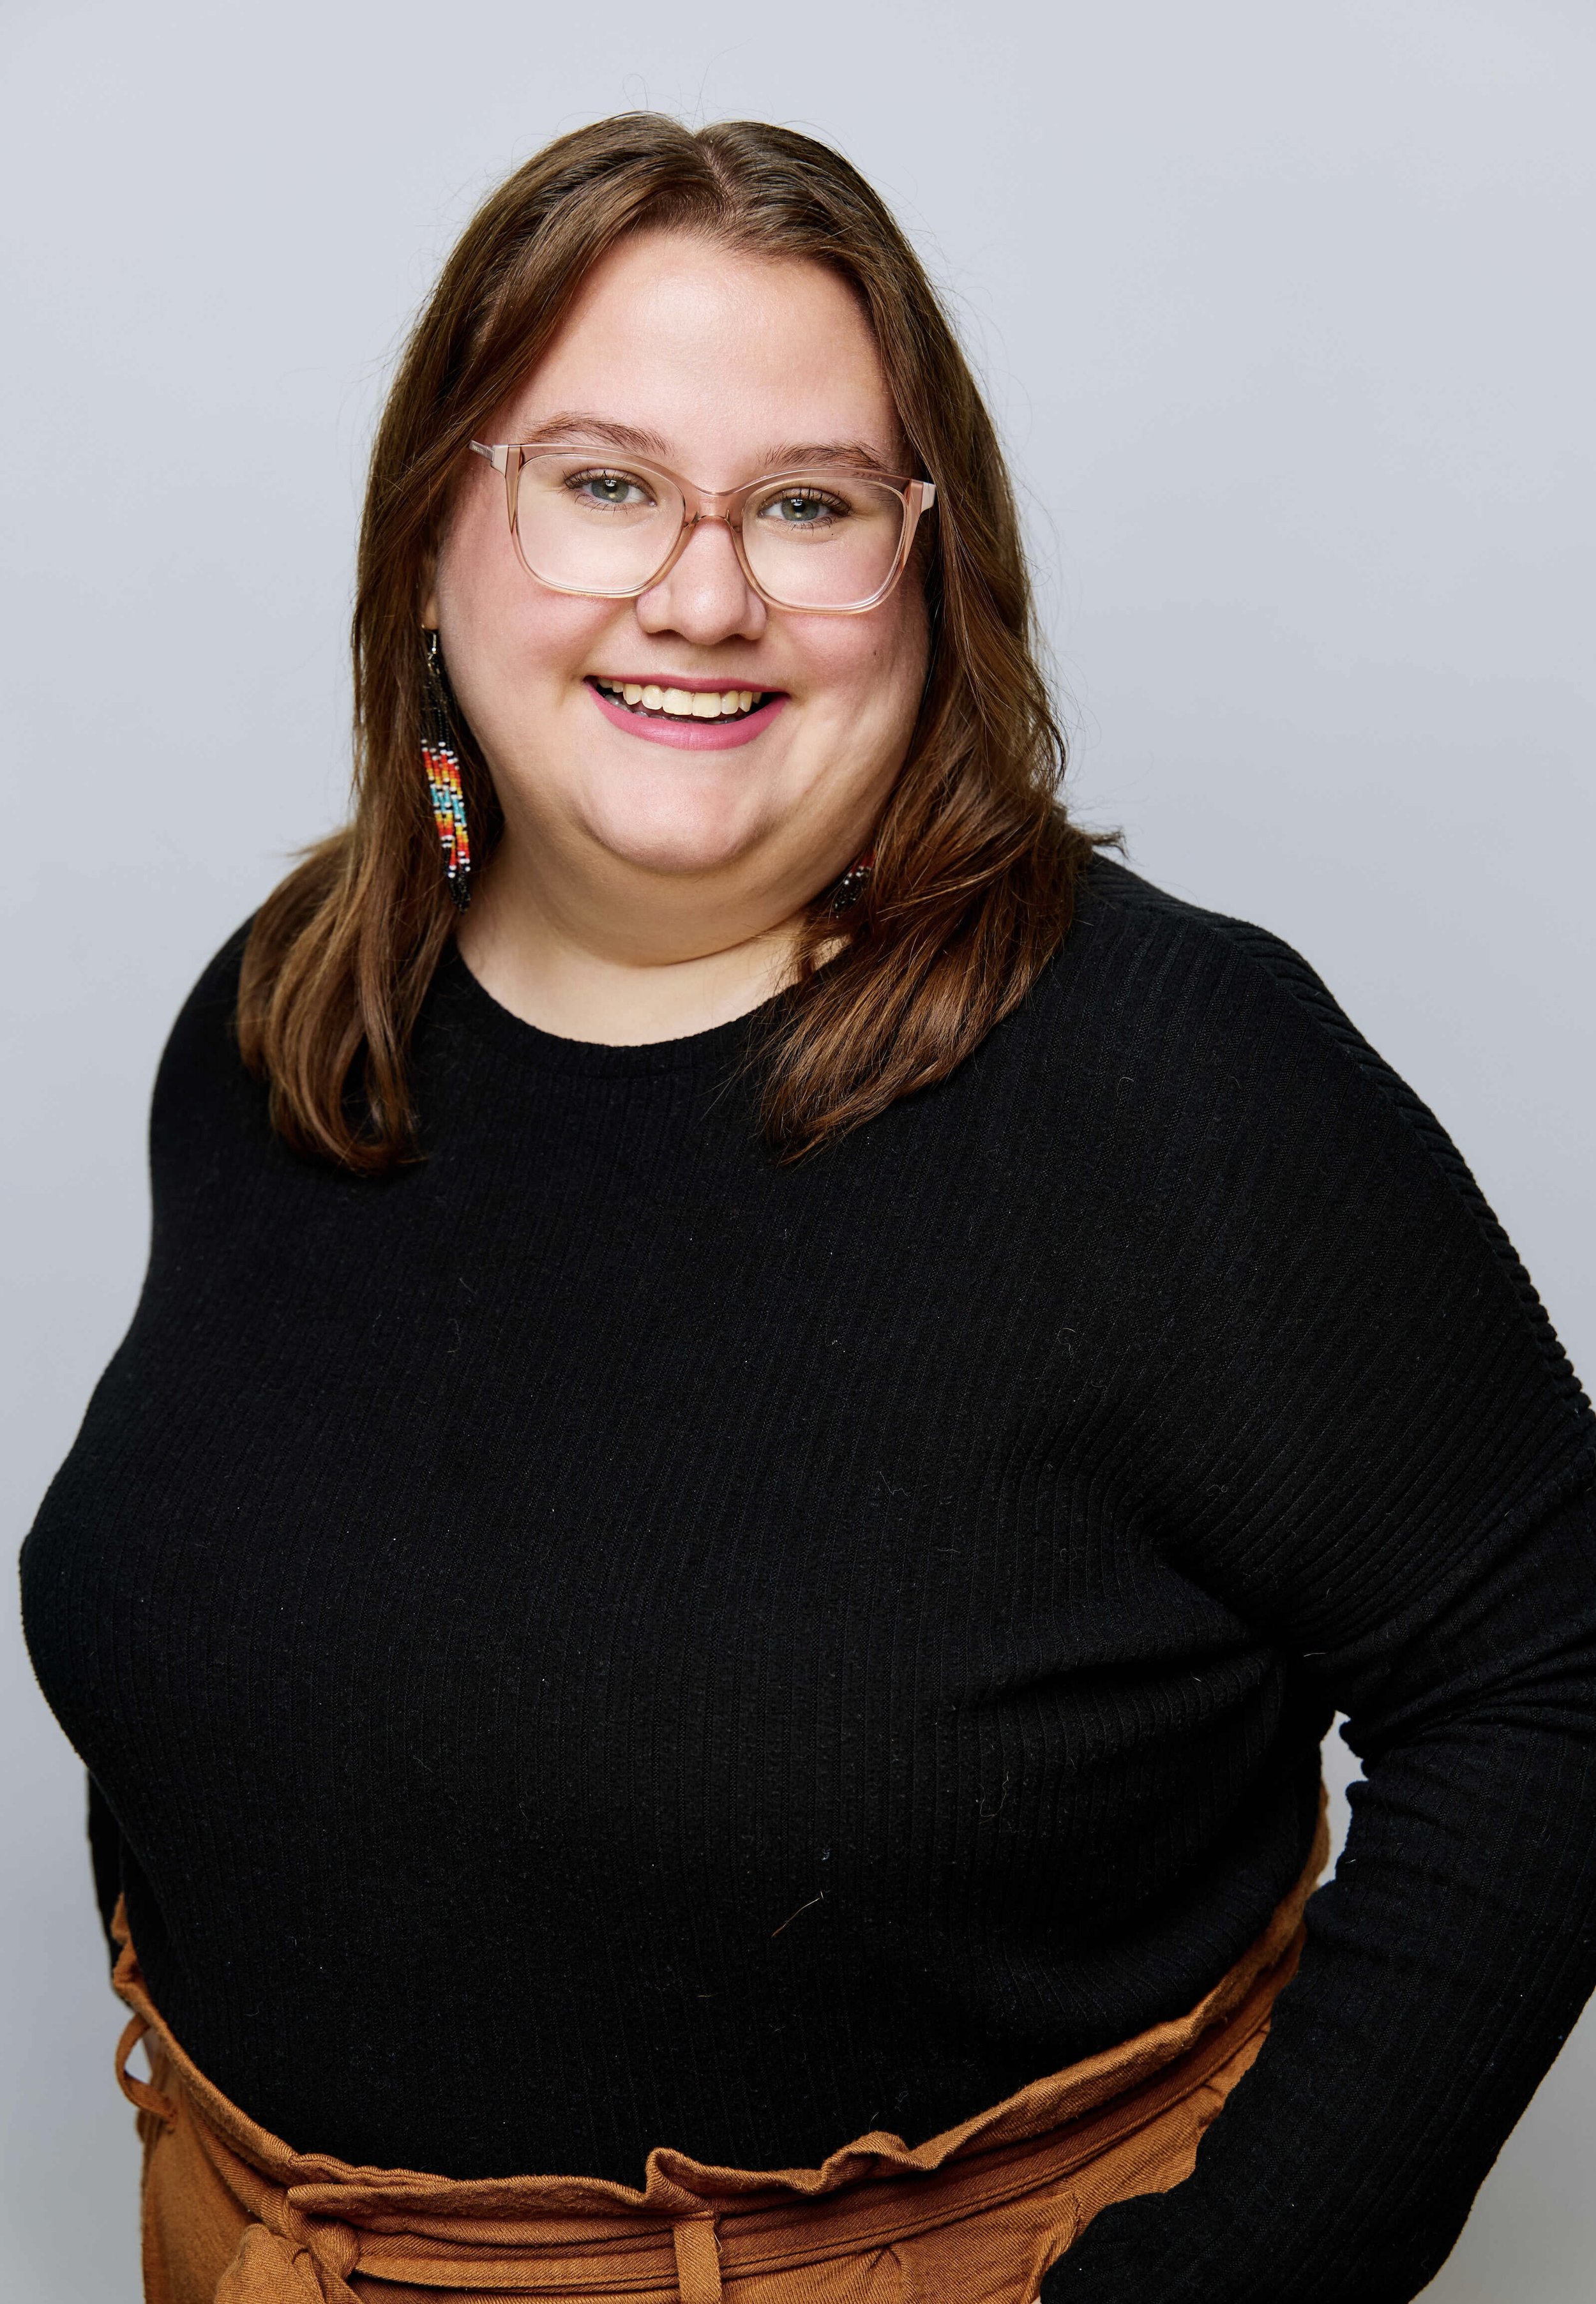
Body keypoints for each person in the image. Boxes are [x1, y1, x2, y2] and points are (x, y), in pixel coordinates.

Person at [20, 114, 1596, 2304]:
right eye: (601, 482)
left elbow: (1556, 1667)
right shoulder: (299, 1012)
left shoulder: (1166, 1079)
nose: (701, 589)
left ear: (924, 570)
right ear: (426, 537)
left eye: (807, 505)